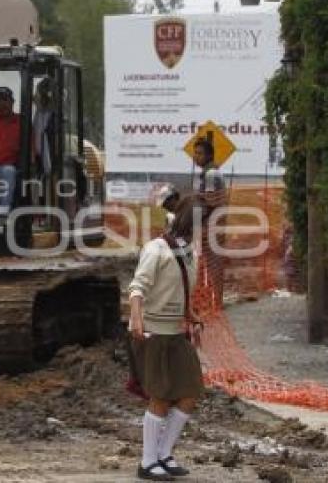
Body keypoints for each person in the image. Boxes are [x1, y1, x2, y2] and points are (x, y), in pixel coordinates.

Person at [129, 195, 204, 481]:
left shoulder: (188, 251)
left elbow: (181, 286)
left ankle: (164, 453)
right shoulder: (156, 249)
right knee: (160, 396)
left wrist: (190, 313)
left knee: (189, 392)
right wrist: (136, 319)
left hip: (176, 332)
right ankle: (148, 462)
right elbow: (137, 287)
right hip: (154, 333)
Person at [192, 137, 227, 309]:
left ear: (209, 155)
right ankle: (213, 302)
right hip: (211, 227)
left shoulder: (211, 174)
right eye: (195, 153)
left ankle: (215, 304)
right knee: (211, 265)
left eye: (199, 153)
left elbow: (209, 202)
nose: (195, 157)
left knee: (212, 266)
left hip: (211, 228)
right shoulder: (208, 173)